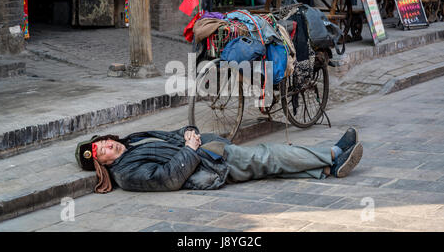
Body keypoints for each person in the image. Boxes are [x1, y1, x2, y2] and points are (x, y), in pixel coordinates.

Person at [75, 126, 363, 193]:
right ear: (104, 164)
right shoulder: (126, 174)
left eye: (101, 141)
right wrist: (189, 148)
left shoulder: (133, 140)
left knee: (265, 167)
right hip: (207, 165)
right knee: (267, 155)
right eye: (100, 151)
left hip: (204, 152)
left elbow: (173, 135)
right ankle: (333, 154)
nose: (105, 145)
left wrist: (188, 133)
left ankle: (326, 169)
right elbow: (167, 178)